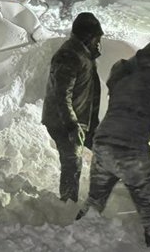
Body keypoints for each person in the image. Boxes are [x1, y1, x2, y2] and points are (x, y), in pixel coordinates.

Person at [80, 48, 150, 248]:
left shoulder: (124, 80)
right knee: (149, 208)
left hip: (102, 145)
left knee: (95, 200)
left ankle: (72, 233)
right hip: (131, 151)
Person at [41, 13, 103, 202]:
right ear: (88, 36)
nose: (98, 42)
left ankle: (98, 198)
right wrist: (71, 125)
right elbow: (61, 94)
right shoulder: (69, 55)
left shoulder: (82, 53)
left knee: (100, 154)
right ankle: (67, 204)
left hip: (80, 120)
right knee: (72, 163)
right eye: (96, 38)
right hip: (63, 121)